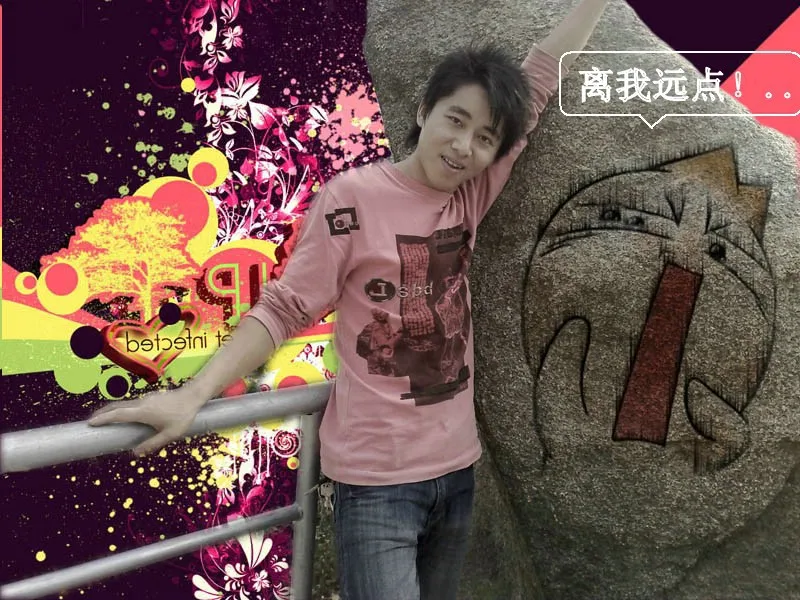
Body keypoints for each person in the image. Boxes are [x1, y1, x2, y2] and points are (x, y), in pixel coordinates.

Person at [88, 1, 610, 597]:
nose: (464, 145)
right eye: (456, 120)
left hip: (458, 472)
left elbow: (540, 78)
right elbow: (285, 306)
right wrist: (193, 394)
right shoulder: (352, 198)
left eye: (484, 138)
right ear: (425, 110)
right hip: (377, 485)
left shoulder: (468, 197)